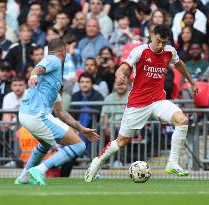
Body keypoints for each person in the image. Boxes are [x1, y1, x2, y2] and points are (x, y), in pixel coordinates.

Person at [85, 25, 199, 182]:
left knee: (182, 121)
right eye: (158, 41)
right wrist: (119, 77)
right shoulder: (140, 51)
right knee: (122, 142)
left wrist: (191, 82)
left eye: (163, 42)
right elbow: (123, 68)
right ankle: (97, 162)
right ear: (152, 36)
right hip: (138, 103)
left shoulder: (169, 51)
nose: (160, 46)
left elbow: (179, 63)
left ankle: (172, 163)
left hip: (158, 100)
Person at [14, 38, 99, 186]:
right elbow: (38, 67)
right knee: (79, 146)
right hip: (37, 115)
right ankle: (39, 170)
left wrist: (81, 128)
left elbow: (61, 112)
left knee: (45, 145)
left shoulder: (52, 84)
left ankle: (23, 177)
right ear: (63, 52)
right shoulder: (54, 59)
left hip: (26, 115)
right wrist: (33, 75)